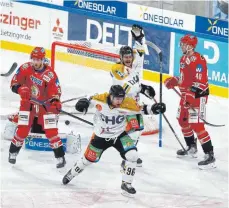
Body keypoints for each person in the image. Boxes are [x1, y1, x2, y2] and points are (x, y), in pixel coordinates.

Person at [62, 85, 166, 197]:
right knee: (88, 160)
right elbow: (88, 99)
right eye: (117, 98)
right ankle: (71, 174)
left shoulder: (127, 102)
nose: (119, 101)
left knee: (133, 155)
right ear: (110, 96)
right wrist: (82, 103)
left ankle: (126, 183)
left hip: (119, 136)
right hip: (100, 138)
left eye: (121, 99)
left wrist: (155, 108)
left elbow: (142, 109)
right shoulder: (101, 99)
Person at [8, 47, 66, 168]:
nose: (35, 62)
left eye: (38, 59)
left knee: (51, 132)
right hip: (27, 104)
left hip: (45, 106)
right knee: (22, 129)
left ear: (43, 59)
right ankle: (12, 153)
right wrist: (19, 89)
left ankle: (60, 157)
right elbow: (14, 83)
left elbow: (55, 91)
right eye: (33, 59)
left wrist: (55, 102)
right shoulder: (25, 68)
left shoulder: (50, 74)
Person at [164, 34, 215, 169]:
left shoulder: (199, 60)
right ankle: (192, 147)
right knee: (182, 120)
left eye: (184, 44)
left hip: (198, 96)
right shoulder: (183, 58)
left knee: (197, 126)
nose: (181, 46)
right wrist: (175, 81)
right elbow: (184, 79)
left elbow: (201, 83)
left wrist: (191, 96)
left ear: (191, 46)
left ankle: (210, 156)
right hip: (186, 95)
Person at [111, 24, 156, 167]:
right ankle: (127, 156)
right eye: (126, 57)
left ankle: (130, 152)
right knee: (133, 129)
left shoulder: (134, 62)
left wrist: (139, 38)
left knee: (138, 129)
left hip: (134, 101)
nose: (129, 59)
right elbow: (125, 88)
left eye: (130, 56)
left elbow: (140, 52)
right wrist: (143, 88)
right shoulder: (117, 69)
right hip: (123, 103)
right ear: (121, 58)